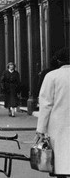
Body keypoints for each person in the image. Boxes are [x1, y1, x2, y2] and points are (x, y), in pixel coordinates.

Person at [36, 47, 70, 177]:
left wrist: (40, 129)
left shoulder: (51, 76)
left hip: (58, 125)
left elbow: (46, 104)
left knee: (60, 160)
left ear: (59, 61)